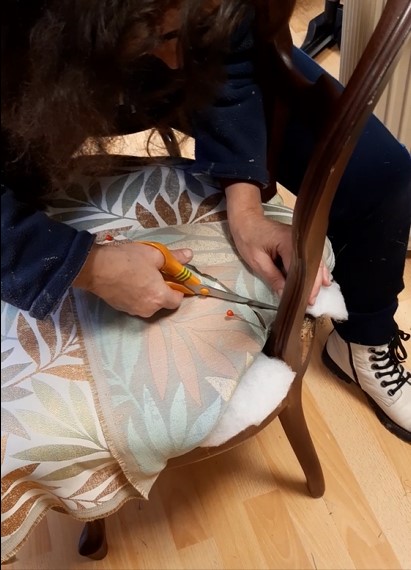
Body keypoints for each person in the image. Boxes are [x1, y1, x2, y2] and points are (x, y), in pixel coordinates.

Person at [1, 0, 410, 442]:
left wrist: (245, 207)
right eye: (159, 36)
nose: (177, 60)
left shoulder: (197, 40)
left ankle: (361, 344)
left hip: (131, 56)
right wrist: (88, 267)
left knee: (383, 175)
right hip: (32, 75)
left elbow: (231, 56)